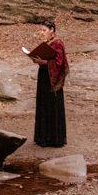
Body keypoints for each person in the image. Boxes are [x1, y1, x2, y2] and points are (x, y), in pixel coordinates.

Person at [28, 19, 68, 147]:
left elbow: (59, 63)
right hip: (44, 77)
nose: (42, 33)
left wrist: (44, 62)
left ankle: (53, 139)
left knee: (52, 106)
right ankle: (42, 137)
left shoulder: (58, 44)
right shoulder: (48, 43)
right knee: (43, 104)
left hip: (52, 79)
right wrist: (36, 58)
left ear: (52, 30)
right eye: (41, 30)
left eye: (44, 30)